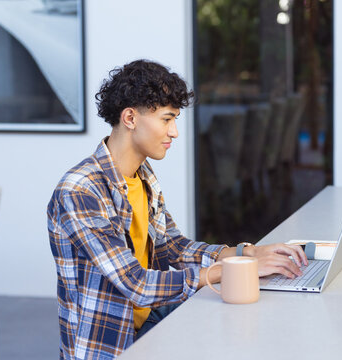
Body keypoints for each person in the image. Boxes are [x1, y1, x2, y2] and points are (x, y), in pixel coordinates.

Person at [47, 59, 308, 359]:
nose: (174, 132)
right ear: (130, 118)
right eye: (167, 119)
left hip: (151, 319)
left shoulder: (142, 176)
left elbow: (172, 246)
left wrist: (246, 254)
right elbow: (137, 283)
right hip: (111, 346)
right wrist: (235, 270)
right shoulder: (80, 191)